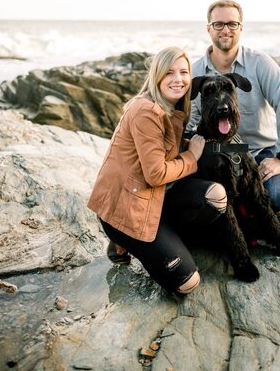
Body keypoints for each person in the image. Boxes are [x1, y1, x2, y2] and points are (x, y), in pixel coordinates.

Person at [87, 47, 227, 294]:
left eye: (184, 72)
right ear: (157, 76)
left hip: (155, 198)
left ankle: (166, 238)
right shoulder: (146, 111)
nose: (178, 79)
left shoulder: (173, 109)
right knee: (187, 284)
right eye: (169, 73)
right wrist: (191, 156)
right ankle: (121, 240)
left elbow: (164, 151)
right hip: (127, 209)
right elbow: (156, 173)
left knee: (216, 198)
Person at [188, 0, 280, 213]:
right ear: (209, 28)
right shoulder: (195, 72)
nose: (225, 30)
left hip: (260, 151)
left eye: (232, 24)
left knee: (275, 197)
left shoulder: (260, 63)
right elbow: (190, 118)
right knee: (210, 201)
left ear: (241, 27)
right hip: (217, 153)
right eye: (218, 24)